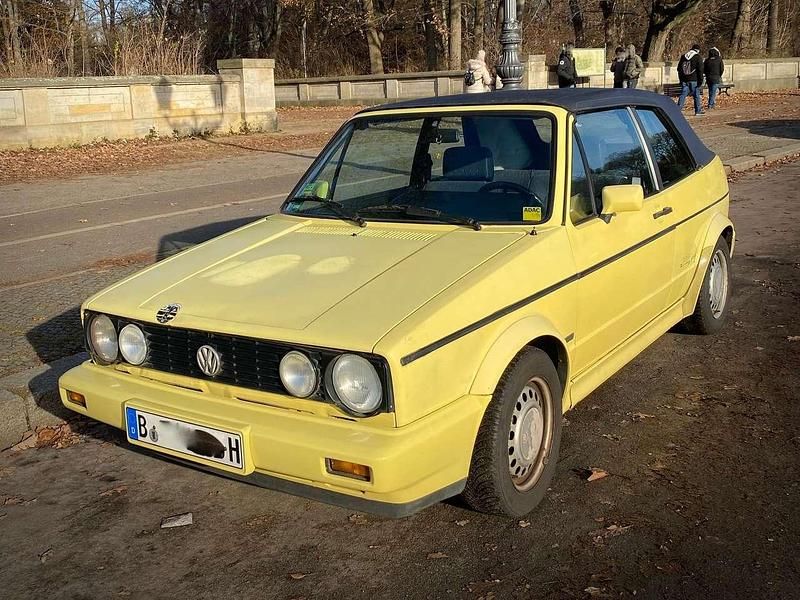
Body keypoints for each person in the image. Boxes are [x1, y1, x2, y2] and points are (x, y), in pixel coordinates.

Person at [677, 43, 705, 115]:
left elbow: (679, 69)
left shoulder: (683, 56)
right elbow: (700, 70)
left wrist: (681, 79)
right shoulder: (698, 57)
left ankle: (677, 110)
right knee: (696, 95)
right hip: (694, 79)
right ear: (698, 50)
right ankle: (697, 111)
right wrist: (700, 81)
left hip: (684, 79)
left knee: (683, 95)